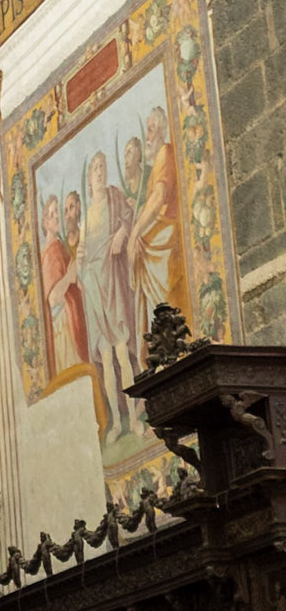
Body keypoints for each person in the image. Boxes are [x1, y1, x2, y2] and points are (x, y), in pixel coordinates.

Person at [80, 152, 138, 441]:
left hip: (112, 282)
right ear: (90, 180)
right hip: (94, 288)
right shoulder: (87, 217)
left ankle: (136, 417)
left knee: (121, 350)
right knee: (106, 356)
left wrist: (122, 232)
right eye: (95, 168)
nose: (100, 172)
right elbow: (81, 254)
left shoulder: (115, 198)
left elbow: (130, 219)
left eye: (103, 167)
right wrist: (80, 260)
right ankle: (116, 422)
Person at [128, 104, 187, 347]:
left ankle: (166, 341)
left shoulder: (165, 152)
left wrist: (135, 233)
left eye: (151, 130)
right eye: (148, 130)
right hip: (159, 235)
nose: (148, 136)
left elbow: (159, 197)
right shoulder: (160, 158)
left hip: (166, 239)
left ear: (161, 130)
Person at [40, 192, 88, 372]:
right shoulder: (52, 252)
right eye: (52, 215)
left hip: (73, 320)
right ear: (46, 224)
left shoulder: (59, 247)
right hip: (66, 329)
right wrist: (69, 275)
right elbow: (52, 299)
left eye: (57, 213)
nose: (57, 218)